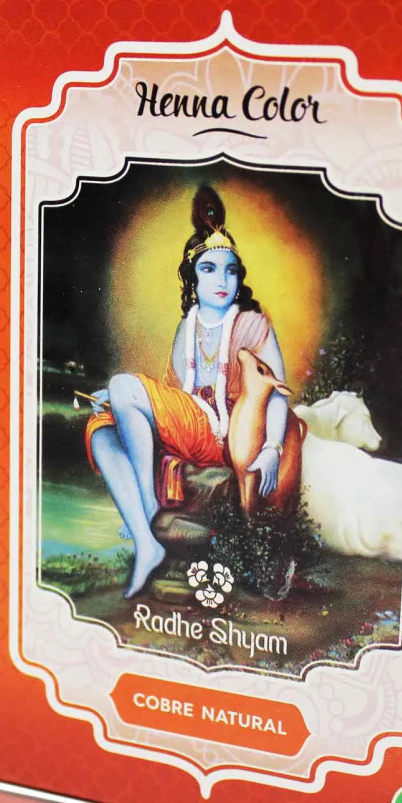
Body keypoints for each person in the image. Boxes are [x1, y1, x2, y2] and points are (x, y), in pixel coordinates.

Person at [85, 184, 291, 597]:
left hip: (228, 438)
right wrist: (123, 402)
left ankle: (146, 504)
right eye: (209, 269)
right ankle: (146, 542)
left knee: (123, 385)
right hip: (189, 427)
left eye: (230, 270)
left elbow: (278, 394)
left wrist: (271, 448)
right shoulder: (188, 326)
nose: (222, 280)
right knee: (102, 428)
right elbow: (173, 392)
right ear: (192, 278)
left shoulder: (253, 324)